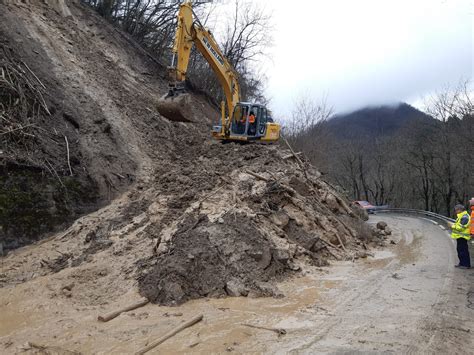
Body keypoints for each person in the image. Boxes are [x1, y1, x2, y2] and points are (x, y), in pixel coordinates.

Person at [450, 204, 471, 269]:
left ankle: (465, 265)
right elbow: (459, 225)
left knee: (463, 251)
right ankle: (462, 263)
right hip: (460, 236)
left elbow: (461, 227)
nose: (455, 211)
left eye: (456, 210)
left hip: (463, 237)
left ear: (460, 210)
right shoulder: (461, 216)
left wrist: (452, 226)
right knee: (460, 250)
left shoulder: (465, 217)